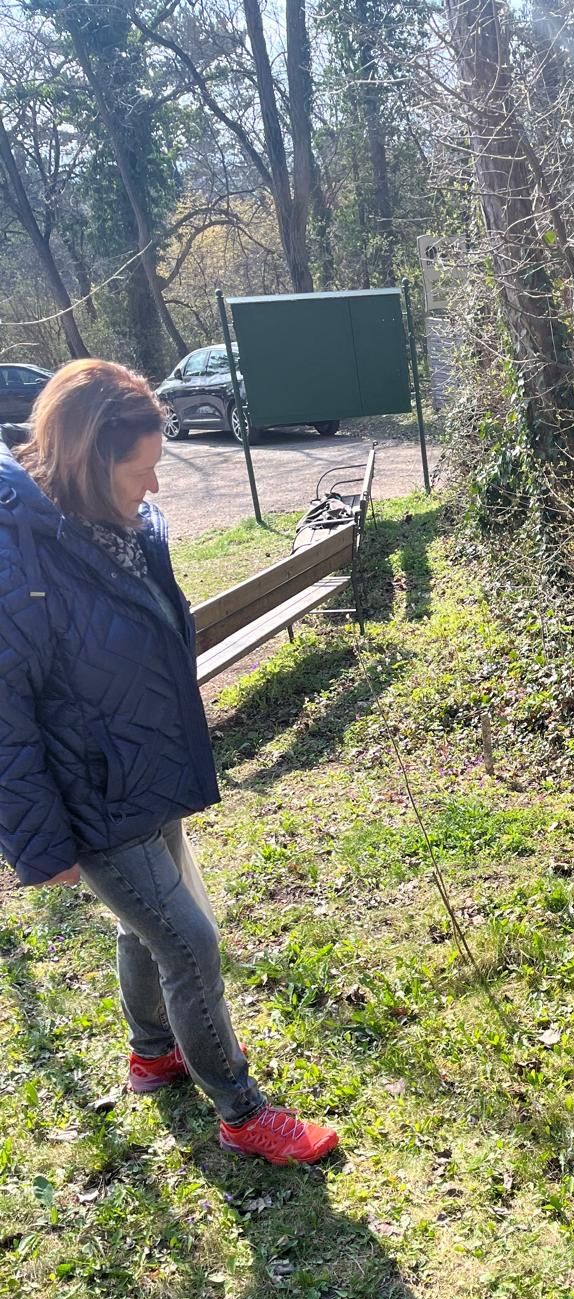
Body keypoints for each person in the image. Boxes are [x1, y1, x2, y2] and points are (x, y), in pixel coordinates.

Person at [0, 360, 338, 1166]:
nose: (153, 487)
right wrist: (39, 845)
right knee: (190, 943)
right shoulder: (18, 560)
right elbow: (5, 718)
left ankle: (155, 1052)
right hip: (93, 796)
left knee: (143, 927)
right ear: (89, 461)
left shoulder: (124, 530)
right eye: (141, 470)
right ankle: (242, 1110)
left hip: (144, 768)